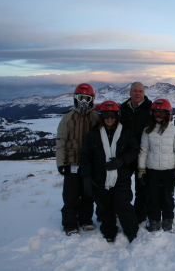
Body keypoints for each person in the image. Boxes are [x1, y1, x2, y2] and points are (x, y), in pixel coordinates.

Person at [80, 101, 139, 243]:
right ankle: (108, 232)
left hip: (121, 177)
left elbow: (134, 150)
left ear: (117, 116)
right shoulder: (93, 134)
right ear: (101, 116)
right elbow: (85, 156)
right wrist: (86, 176)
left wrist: (121, 161)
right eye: (106, 115)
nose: (109, 118)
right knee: (105, 207)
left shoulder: (125, 132)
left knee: (123, 205)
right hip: (100, 178)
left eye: (112, 115)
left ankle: (132, 232)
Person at [56, 83, 99, 236]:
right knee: (70, 195)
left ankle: (86, 220)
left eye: (87, 98)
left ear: (92, 99)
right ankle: (70, 224)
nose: (84, 101)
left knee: (88, 194)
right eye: (81, 97)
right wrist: (61, 163)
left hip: (90, 165)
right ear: (75, 98)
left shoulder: (96, 117)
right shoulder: (68, 118)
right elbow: (61, 140)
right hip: (71, 163)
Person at [137, 99, 175, 232]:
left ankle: (168, 220)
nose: (158, 117)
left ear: (168, 114)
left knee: (167, 197)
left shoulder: (174, 131)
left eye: (161, 114)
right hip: (152, 170)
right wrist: (141, 169)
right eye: (155, 114)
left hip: (168, 171)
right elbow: (143, 151)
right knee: (152, 198)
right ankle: (153, 221)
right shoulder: (147, 131)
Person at [120, 82, 152, 224]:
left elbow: (163, 123)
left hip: (144, 155)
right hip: (126, 155)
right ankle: (124, 213)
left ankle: (140, 216)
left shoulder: (151, 109)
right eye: (135, 91)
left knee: (143, 187)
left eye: (140, 91)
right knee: (123, 187)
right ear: (130, 93)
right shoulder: (122, 109)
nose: (138, 93)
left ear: (144, 93)